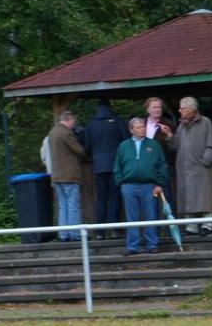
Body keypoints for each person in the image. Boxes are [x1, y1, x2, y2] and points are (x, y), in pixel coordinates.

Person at [162, 97, 212, 236]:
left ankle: (207, 225)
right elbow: (176, 146)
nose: (179, 110)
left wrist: (204, 162)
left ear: (192, 109)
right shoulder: (181, 126)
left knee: (204, 197)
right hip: (185, 169)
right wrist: (169, 135)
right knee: (188, 198)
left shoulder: (206, 123)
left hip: (201, 167)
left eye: (182, 108)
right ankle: (191, 227)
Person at [114, 117, 169, 256]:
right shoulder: (123, 146)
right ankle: (133, 246)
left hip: (149, 185)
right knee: (131, 217)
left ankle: (152, 244)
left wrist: (160, 184)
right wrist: (121, 182)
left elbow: (162, 165)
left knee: (151, 215)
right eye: (138, 127)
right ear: (131, 130)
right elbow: (117, 166)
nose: (142, 129)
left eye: (143, 126)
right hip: (129, 186)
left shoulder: (154, 145)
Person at [84, 99, 129, 240]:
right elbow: (126, 142)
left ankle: (100, 232)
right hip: (116, 165)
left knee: (101, 198)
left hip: (98, 166)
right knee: (115, 197)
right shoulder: (118, 122)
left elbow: (87, 146)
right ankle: (115, 230)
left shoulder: (91, 125)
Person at [48, 111, 86, 242]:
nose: (74, 124)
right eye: (73, 122)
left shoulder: (53, 131)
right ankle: (74, 233)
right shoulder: (66, 133)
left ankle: (63, 234)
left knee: (63, 205)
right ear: (69, 120)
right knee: (72, 204)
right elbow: (79, 150)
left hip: (57, 175)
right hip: (69, 175)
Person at [143, 97, 176, 207]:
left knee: (166, 199)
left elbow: (174, 147)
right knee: (149, 201)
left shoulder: (168, 124)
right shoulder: (141, 124)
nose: (157, 110)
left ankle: (170, 223)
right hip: (145, 168)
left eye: (159, 107)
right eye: (154, 107)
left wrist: (169, 135)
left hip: (163, 167)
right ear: (148, 109)